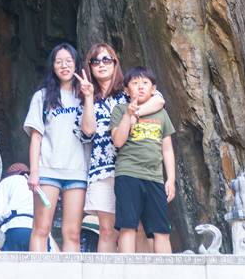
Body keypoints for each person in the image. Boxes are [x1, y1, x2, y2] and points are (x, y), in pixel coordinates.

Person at [74, 43, 165, 252]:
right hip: (102, 168)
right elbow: (88, 130)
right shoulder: (87, 98)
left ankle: (141, 278)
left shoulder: (127, 93)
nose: (101, 64)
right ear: (89, 67)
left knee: (138, 227)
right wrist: (88, 98)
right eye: (96, 61)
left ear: (115, 63)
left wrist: (134, 113)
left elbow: (159, 99)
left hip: (133, 166)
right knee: (106, 230)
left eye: (107, 59)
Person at [24, 42, 87, 252]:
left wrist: (88, 97)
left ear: (77, 65)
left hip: (77, 170)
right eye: (59, 61)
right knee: (41, 228)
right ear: (52, 66)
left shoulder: (86, 96)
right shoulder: (42, 97)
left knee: (73, 233)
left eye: (68, 61)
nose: (64, 65)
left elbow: (91, 130)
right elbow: (36, 137)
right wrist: (34, 173)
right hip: (48, 169)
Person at [110, 66, 175, 254]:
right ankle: (126, 273)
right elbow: (118, 141)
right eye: (135, 83)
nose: (140, 87)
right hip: (128, 173)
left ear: (153, 89)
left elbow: (167, 148)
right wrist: (129, 115)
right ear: (126, 89)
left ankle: (166, 276)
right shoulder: (120, 109)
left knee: (161, 229)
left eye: (145, 83)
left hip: (155, 177)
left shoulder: (161, 114)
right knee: (128, 226)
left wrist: (170, 179)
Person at [0, 162, 34, 251]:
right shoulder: (36, 184)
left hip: (13, 229)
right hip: (36, 232)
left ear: (9, 174)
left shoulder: (6, 182)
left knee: (10, 264)